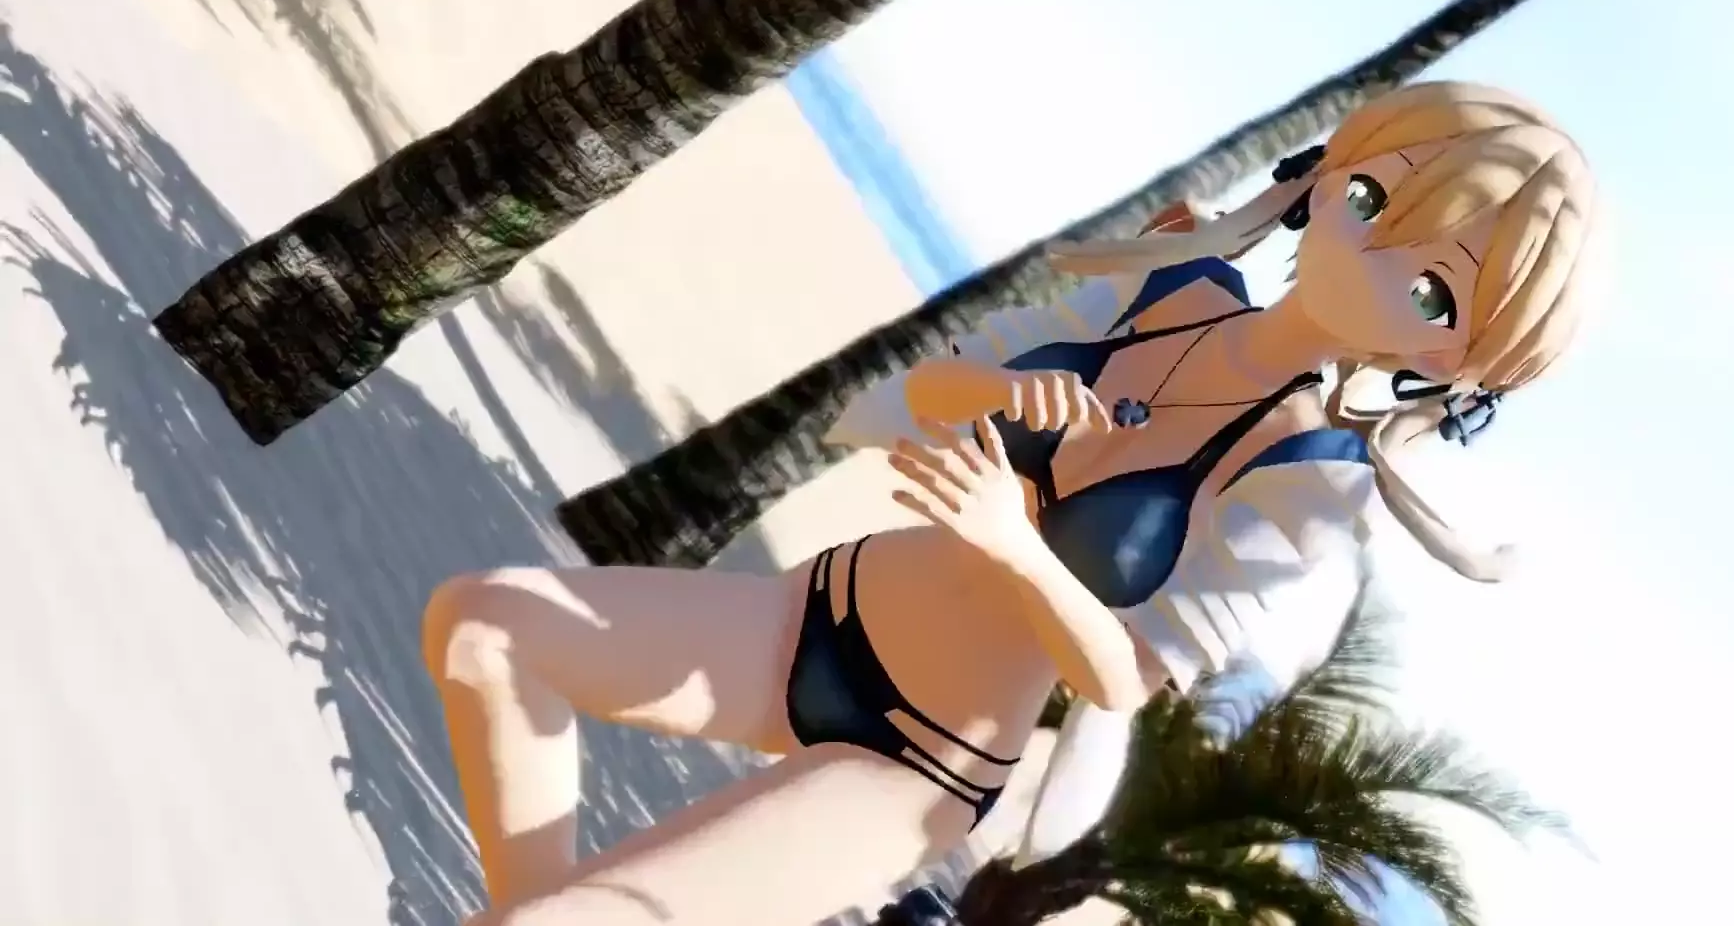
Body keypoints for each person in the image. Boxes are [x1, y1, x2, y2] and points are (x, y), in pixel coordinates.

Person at [418, 81, 1604, 926]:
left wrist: (1014, 540)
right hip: (817, 614)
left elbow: (1121, 679)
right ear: (1330, 174)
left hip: (917, 761)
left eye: (1436, 293)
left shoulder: (1310, 476)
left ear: (1458, 368)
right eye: (1376, 199)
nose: (1377, 257)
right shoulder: (1173, 283)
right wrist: (1003, 393)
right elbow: (933, 393)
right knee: (484, 630)